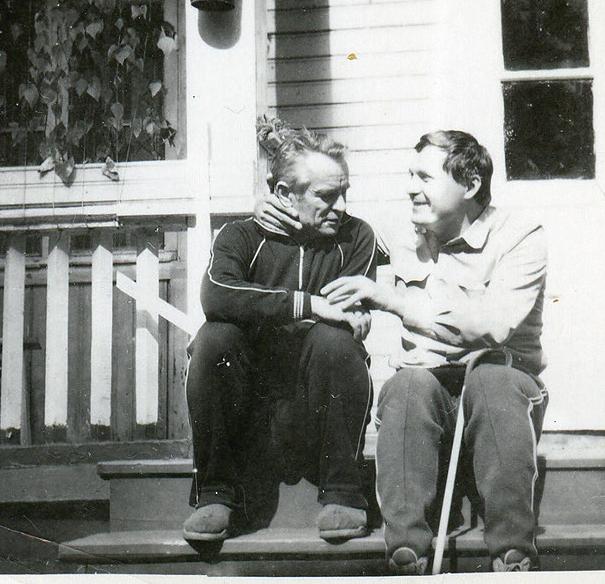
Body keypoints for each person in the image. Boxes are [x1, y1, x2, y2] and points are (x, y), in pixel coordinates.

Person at [257, 129, 548, 573]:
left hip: (502, 397)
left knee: (492, 380)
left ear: (470, 185)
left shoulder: (520, 237)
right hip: (428, 398)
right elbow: (326, 221)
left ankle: (512, 553)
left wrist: (390, 299)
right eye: (411, 176)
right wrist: (272, 207)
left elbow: (492, 326)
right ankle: (406, 554)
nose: (411, 188)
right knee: (407, 384)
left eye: (425, 178)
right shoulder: (398, 233)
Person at [183, 122, 378, 545]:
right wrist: (309, 305)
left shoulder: (356, 237)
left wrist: (270, 310)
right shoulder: (240, 235)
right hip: (248, 414)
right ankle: (216, 493)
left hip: (314, 415)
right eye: (326, 196)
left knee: (335, 340)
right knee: (214, 338)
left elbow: (347, 314)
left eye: (344, 193)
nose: (342, 206)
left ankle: (343, 493)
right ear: (284, 194)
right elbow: (217, 294)